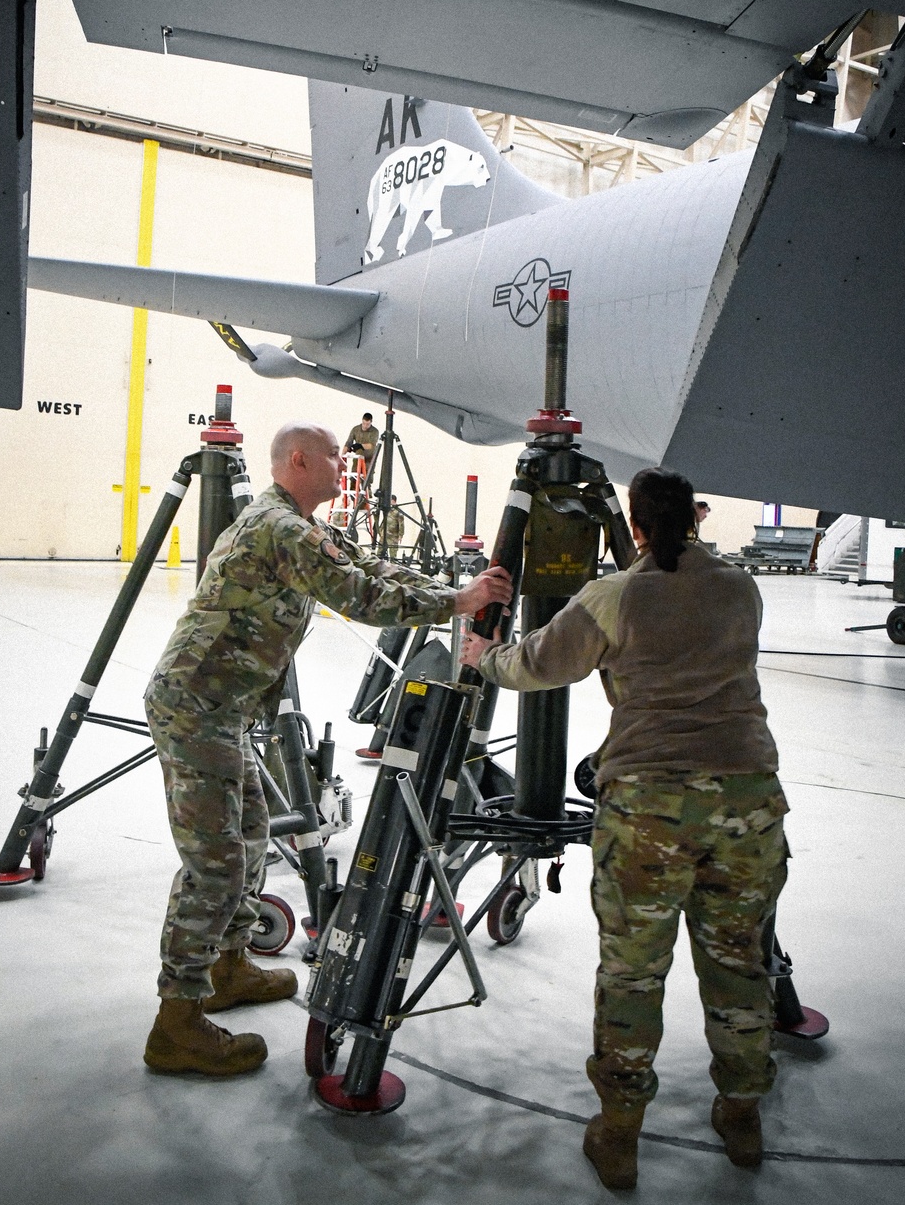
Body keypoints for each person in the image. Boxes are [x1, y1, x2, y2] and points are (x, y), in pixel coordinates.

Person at [143, 421, 512, 1078]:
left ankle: (225, 968)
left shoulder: (296, 523)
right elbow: (361, 596)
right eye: (338, 455)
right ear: (299, 459)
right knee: (217, 863)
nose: (347, 463)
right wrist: (458, 601)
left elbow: (367, 566)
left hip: (220, 707)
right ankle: (175, 1024)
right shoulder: (281, 530)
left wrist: (451, 588)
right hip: (197, 705)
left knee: (251, 836)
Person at [460, 467, 787, 1189]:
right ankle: (741, 1115)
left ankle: (619, 1133)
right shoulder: (741, 587)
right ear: (694, 518)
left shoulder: (614, 595)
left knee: (633, 974)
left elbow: (539, 665)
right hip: (748, 803)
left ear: (634, 527)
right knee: (739, 964)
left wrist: (484, 659)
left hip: (648, 810)